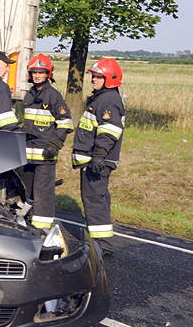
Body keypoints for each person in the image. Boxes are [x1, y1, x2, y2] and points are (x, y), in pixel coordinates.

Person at [72, 58, 125, 257]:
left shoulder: (109, 99)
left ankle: (101, 246)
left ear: (109, 79)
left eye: (98, 76)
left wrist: (99, 155)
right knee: (97, 200)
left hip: (97, 161)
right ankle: (100, 242)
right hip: (93, 159)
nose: (93, 79)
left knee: (95, 201)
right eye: (93, 76)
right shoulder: (100, 98)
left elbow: (109, 130)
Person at [21, 54, 73, 229]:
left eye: (41, 72)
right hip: (27, 154)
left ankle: (42, 229)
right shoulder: (29, 94)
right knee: (26, 190)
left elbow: (65, 123)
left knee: (43, 194)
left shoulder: (53, 96)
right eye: (34, 72)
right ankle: (25, 222)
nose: (37, 76)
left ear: (48, 74)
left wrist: (54, 145)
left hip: (45, 155)